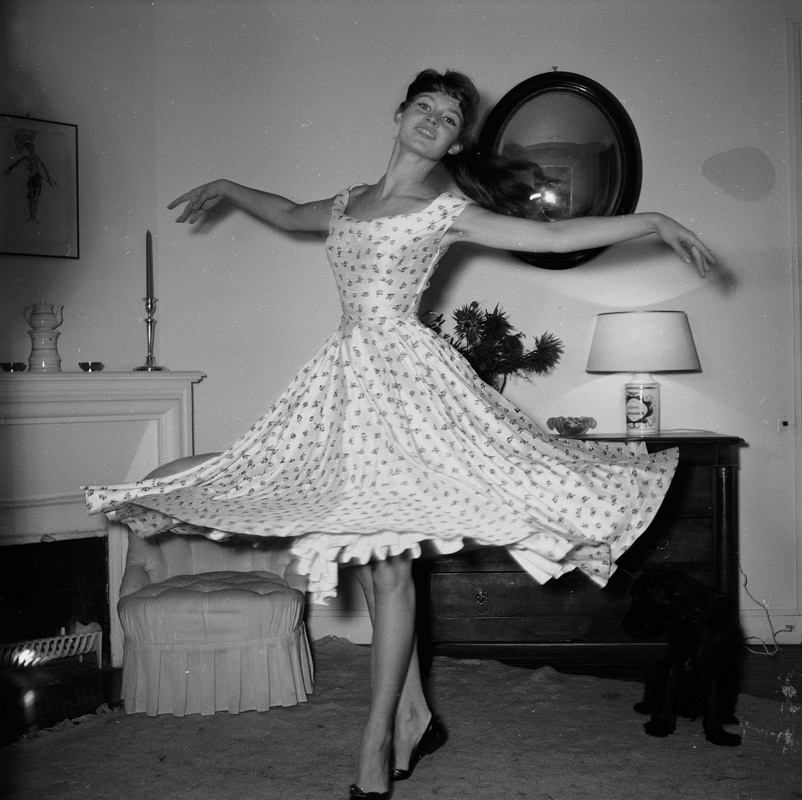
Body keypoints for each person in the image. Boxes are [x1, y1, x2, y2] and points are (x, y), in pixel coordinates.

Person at [86, 69, 714, 799]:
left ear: (455, 142)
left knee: (387, 569)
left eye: (449, 119)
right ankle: (414, 716)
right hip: (346, 387)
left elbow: (551, 234)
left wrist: (650, 221)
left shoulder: (445, 210)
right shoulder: (349, 203)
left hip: (408, 387)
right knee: (373, 561)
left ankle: (378, 738)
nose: (433, 122)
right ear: (401, 113)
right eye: (425, 107)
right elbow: (287, 212)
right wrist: (228, 185)